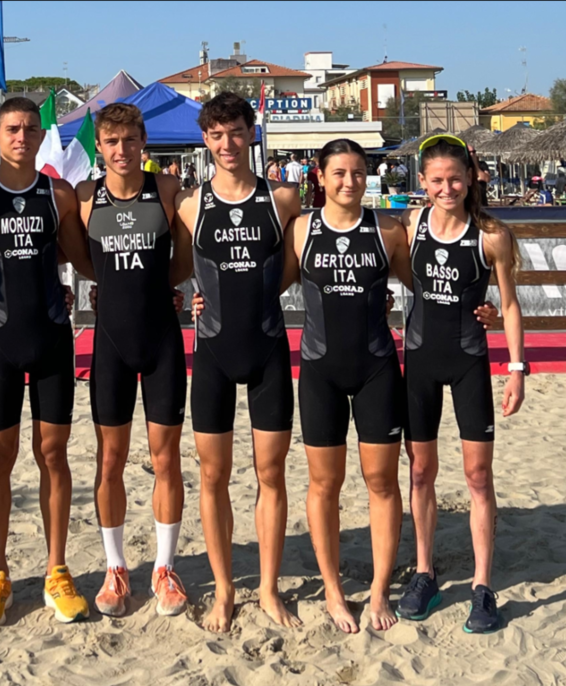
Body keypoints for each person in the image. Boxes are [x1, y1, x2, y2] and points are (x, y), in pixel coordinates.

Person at [0, 97, 95, 626]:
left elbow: (83, 258)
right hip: (1, 340)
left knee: (53, 454)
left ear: (41, 136)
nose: (21, 136)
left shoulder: (58, 194)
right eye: (12, 128)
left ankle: (57, 569)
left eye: (31, 129)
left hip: (52, 336)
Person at [181, 93, 303, 632]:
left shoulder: (283, 198)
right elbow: (173, 266)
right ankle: (225, 589)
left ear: (251, 133)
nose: (227, 143)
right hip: (213, 351)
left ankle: (269, 589)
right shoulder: (190, 204)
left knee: (270, 473)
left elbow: (298, 263)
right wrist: (192, 298)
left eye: (235, 132)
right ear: (205, 140)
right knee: (213, 476)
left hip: (267, 347)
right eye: (216, 135)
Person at [397, 134, 525, 634]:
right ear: (423, 182)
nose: (446, 188)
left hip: (470, 360)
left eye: (455, 178)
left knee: (477, 476)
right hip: (420, 361)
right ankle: (424, 572)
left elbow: (508, 304)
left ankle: (482, 585)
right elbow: (389, 276)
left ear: (470, 178)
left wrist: (517, 369)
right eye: (437, 180)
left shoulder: (491, 235)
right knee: (420, 473)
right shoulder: (411, 224)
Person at [73, 103, 190, 619]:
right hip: (111, 345)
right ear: (99, 146)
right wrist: (107, 284)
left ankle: (164, 567)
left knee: (166, 459)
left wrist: (165, 287)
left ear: (144, 142)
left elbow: (185, 252)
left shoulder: (166, 189)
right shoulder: (84, 196)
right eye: (112, 142)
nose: (121, 150)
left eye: (130, 140)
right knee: (110, 461)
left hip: (161, 341)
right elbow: (80, 256)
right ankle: (115, 567)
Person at [290, 139, 410, 634]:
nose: (349, 181)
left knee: (381, 481)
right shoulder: (301, 229)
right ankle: (333, 590)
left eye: (358, 172)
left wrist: (481, 310)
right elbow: (262, 285)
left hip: (376, 368)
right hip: (320, 371)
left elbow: (426, 288)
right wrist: (200, 303)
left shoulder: (388, 230)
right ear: (320, 177)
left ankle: (380, 589)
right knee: (325, 484)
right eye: (339, 173)